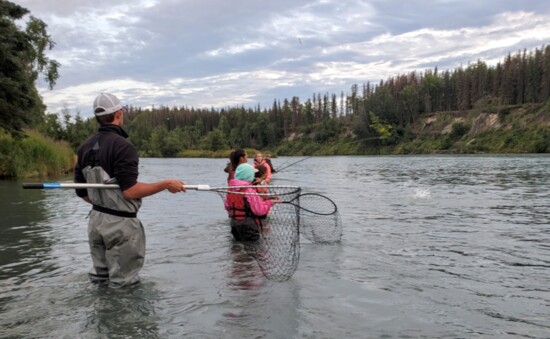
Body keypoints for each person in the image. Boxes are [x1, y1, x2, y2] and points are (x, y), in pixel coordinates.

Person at [74, 93, 187, 288]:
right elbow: (130, 191)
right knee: (124, 285)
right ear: (119, 113)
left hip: (95, 222)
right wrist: (166, 184)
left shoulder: (84, 147)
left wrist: (104, 204)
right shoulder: (123, 146)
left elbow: (81, 192)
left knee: (101, 281)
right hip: (120, 224)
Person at [225, 163, 275, 241]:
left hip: (234, 224)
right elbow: (260, 211)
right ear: (249, 176)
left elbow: (227, 206)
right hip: (249, 224)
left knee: (237, 249)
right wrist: (270, 202)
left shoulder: (231, 189)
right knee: (254, 249)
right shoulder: (249, 191)